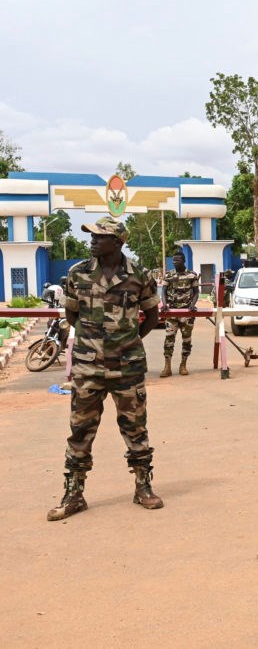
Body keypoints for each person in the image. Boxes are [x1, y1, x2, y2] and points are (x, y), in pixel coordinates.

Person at [46, 216, 163, 521]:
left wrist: (127, 342)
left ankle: (143, 488)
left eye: (99, 236)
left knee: (136, 428)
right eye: (92, 236)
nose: (93, 240)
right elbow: (73, 317)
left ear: (118, 241)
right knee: (80, 431)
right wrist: (95, 344)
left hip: (128, 367)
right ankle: (74, 495)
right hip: (88, 368)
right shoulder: (78, 273)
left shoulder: (139, 275)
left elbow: (151, 316)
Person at [160, 250, 199, 378]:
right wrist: (164, 304)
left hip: (187, 313)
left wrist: (193, 304)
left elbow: (196, 292)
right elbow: (164, 292)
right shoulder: (169, 275)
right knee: (169, 339)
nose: (175, 262)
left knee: (186, 340)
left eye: (177, 260)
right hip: (172, 313)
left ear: (184, 261)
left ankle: (183, 365)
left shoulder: (192, 275)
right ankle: (167, 366)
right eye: (174, 260)